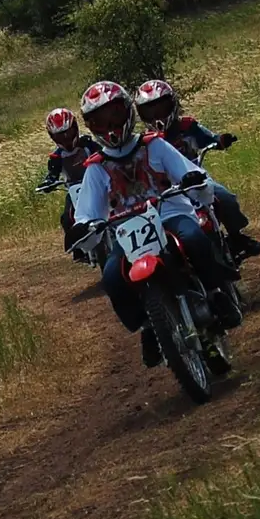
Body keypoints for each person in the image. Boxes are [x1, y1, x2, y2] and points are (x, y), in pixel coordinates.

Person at [73, 81, 240, 367]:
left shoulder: (154, 145)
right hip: (127, 231)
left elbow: (187, 171)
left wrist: (192, 180)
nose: (110, 127)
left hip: (170, 213)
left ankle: (215, 293)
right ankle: (148, 325)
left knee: (194, 239)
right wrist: (85, 227)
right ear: (91, 126)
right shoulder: (96, 167)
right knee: (112, 275)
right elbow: (86, 212)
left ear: (128, 113)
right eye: (100, 122)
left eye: (114, 117)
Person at [133, 80, 260, 262]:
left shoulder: (187, 126)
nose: (157, 116)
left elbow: (208, 138)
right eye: (150, 112)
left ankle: (236, 236)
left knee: (225, 198)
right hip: (167, 190)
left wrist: (220, 140)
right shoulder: (146, 141)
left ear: (173, 104)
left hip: (197, 180)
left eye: (162, 109)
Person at [38, 107, 101, 255]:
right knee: (67, 218)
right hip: (74, 189)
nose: (66, 138)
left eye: (68, 133)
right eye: (60, 136)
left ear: (75, 128)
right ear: (53, 137)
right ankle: (77, 250)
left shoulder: (88, 144)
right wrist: (48, 183)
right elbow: (52, 174)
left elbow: (103, 154)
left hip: (96, 183)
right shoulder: (56, 156)